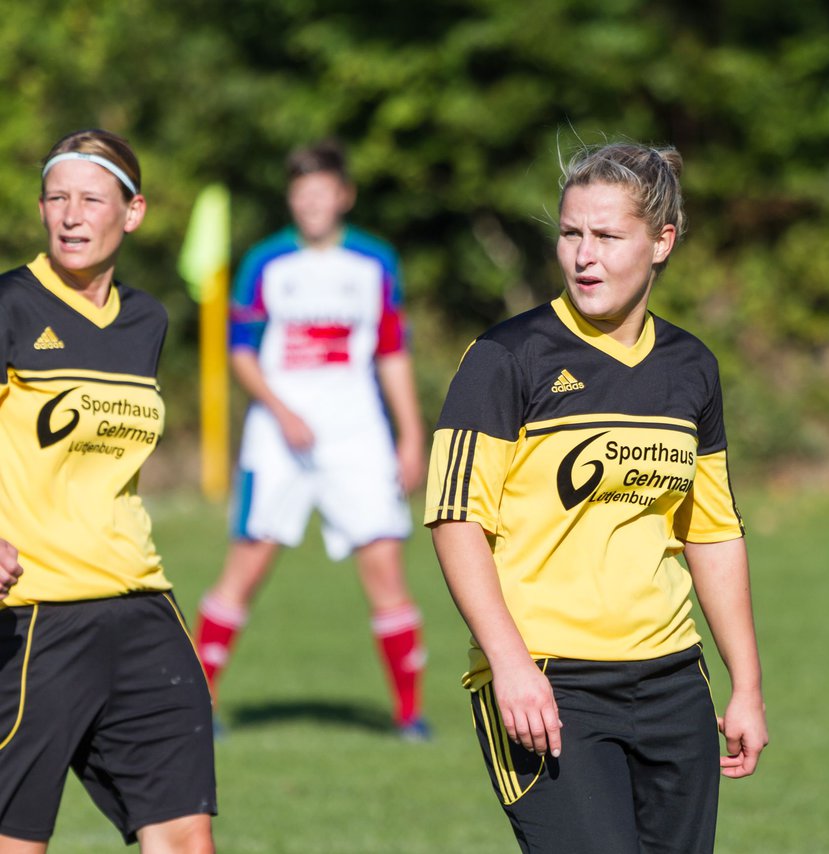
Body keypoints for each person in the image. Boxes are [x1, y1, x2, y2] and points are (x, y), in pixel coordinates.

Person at [426, 141, 769, 853]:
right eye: (571, 234)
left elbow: (711, 532)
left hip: (675, 680)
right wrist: (511, 665)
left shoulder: (690, 368)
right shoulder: (506, 358)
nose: (585, 256)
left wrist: (746, 684)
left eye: (608, 237)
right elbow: (455, 521)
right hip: (550, 684)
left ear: (662, 242)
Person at [0, 130, 217, 852]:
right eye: (56, 198)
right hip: (33, 618)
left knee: (186, 837)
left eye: (91, 199)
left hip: (140, 605)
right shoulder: (11, 306)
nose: (71, 215)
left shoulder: (145, 321)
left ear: (133, 213)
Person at [192, 141, 430, 740]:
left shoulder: (374, 262)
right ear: (291, 199)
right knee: (246, 568)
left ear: (343, 195)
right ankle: (199, 704)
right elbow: (240, 352)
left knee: (385, 570)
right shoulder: (266, 263)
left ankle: (409, 716)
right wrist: (280, 409)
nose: (313, 203)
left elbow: (392, 352)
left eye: (323, 191)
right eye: (302, 194)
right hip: (278, 439)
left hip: (357, 437)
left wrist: (411, 435)